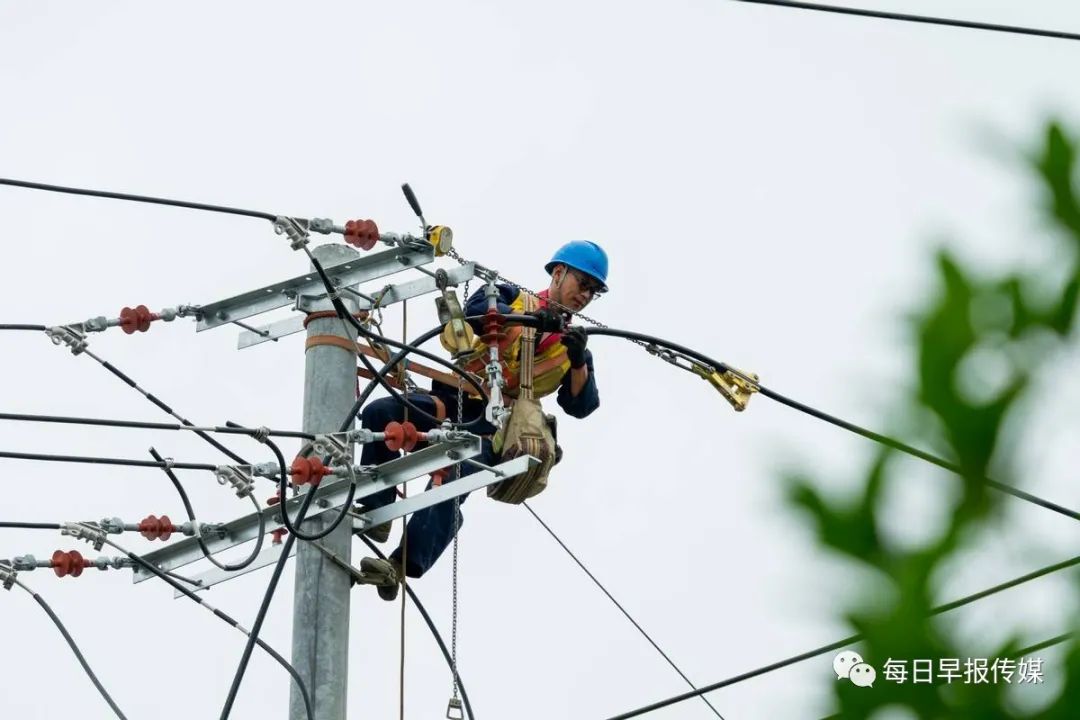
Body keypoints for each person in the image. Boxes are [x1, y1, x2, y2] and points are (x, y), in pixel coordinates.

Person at [357, 240, 608, 600]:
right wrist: (533, 319)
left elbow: (582, 405)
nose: (585, 295)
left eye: (593, 292)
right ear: (558, 273)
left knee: (453, 478)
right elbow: (476, 309)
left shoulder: (572, 346)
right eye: (583, 284)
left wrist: (579, 358)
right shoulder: (511, 297)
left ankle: (399, 566)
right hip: (452, 400)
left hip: (496, 427)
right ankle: (378, 509)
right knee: (382, 412)